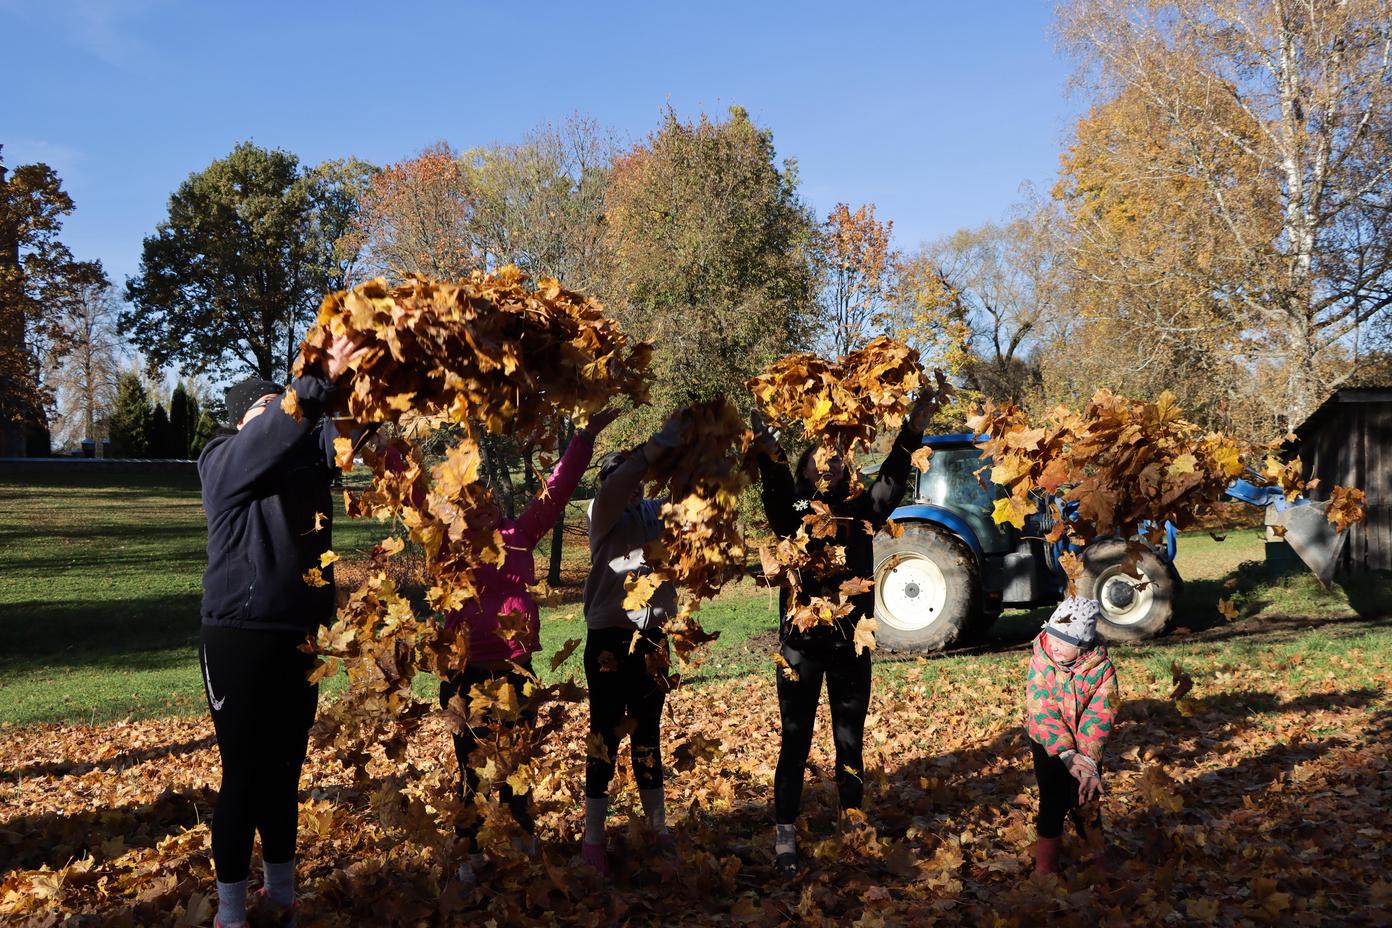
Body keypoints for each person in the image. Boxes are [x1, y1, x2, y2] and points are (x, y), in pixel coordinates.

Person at [198, 334, 365, 928]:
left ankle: (283, 895)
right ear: (243, 418)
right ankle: (230, 911)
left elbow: (344, 437)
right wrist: (312, 385)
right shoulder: (222, 460)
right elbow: (270, 435)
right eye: (263, 407)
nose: (276, 413)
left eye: (281, 403)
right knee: (244, 769)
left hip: (300, 633)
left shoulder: (303, 463)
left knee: (286, 768)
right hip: (239, 635)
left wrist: (361, 385)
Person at [749, 392, 937, 878]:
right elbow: (772, 486)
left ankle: (853, 822)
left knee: (849, 740)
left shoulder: (861, 509)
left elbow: (893, 478)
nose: (828, 463)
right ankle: (785, 833)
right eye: (819, 459)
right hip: (800, 649)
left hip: (852, 644)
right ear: (807, 470)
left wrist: (913, 429)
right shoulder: (792, 513)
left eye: (836, 458)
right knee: (795, 741)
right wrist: (766, 444)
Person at [438, 408, 620, 886]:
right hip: (465, 676)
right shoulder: (448, 544)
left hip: (516, 671)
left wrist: (583, 436)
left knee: (516, 764)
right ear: (457, 507)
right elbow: (413, 493)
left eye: (489, 499)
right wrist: (380, 446)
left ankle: (520, 839)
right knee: (472, 769)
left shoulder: (519, 536)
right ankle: (471, 851)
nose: (485, 507)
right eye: (473, 501)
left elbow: (556, 491)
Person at [577, 415, 686, 876]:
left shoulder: (652, 512)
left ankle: (658, 829)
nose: (635, 485)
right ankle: (594, 838)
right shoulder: (600, 512)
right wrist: (647, 454)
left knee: (646, 735)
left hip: (652, 639)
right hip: (608, 639)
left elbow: (690, 499)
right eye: (623, 475)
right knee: (604, 736)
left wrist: (696, 452)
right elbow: (620, 484)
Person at [1025, 596, 1119, 875]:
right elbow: (1043, 712)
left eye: (1063, 642)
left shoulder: (1102, 670)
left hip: (1086, 748)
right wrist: (1066, 753)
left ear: (1082, 645)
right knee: (1052, 801)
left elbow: (1102, 715)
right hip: (1048, 745)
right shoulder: (1041, 662)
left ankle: (1096, 860)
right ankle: (1045, 865)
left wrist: (1087, 761)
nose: (1054, 646)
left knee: (1086, 801)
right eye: (1051, 637)